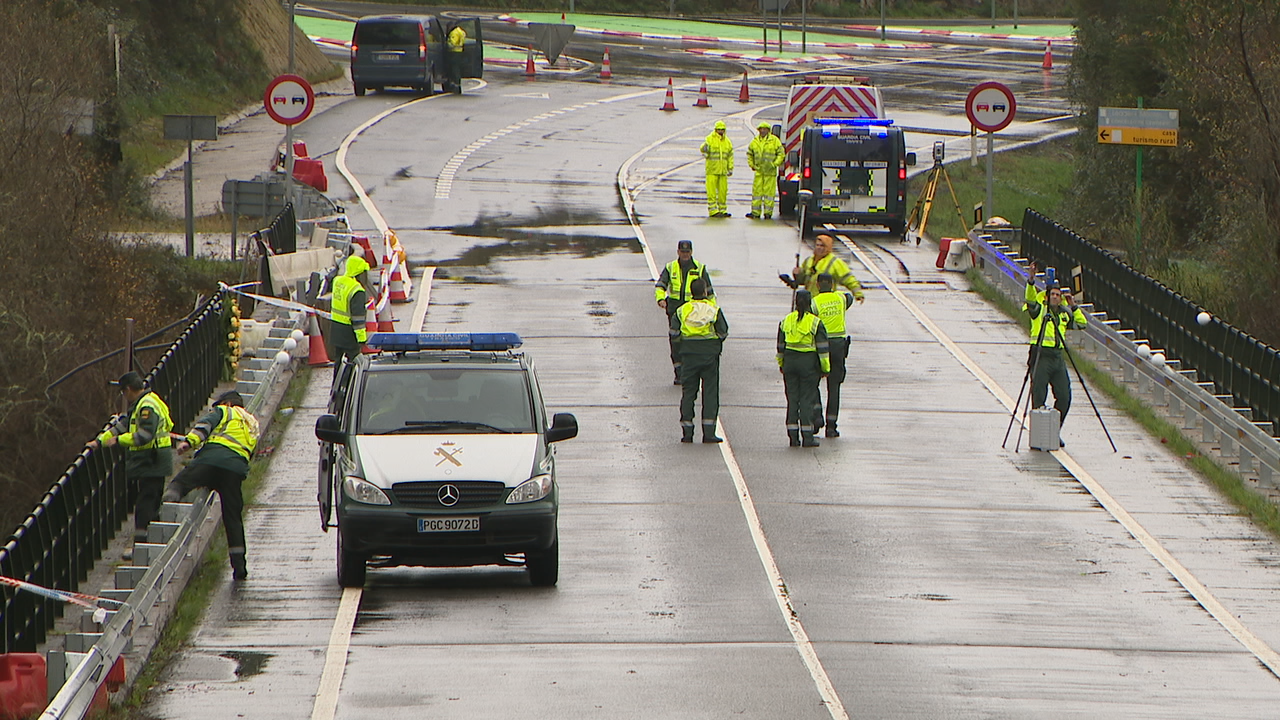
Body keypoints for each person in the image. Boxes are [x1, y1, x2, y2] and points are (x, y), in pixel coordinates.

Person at [164, 390, 260, 580]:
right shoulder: (252, 422)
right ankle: (239, 566)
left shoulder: (225, 411)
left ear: (227, 403)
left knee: (181, 482)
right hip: (235, 469)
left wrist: (189, 443)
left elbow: (204, 426)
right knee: (233, 518)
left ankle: (167, 508)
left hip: (211, 459)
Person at [86, 371, 174, 558]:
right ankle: (150, 546)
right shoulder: (143, 403)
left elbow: (144, 436)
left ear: (128, 390)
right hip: (152, 460)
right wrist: (100, 442)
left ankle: (142, 549)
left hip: (152, 461)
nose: (124, 397)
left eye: (123, 392)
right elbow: (123, 424)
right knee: (149, 502)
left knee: (145, 505)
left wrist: (119, 441)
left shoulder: (147, 407)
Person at [1023, 263, 1088, 434]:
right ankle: (1038, 434)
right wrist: (1031, 280)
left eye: (1058, 295)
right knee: (1038, 396)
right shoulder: (1039, 310)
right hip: (1040, 355)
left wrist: (1073, 306)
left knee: (1065, 396)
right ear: (1046, 296)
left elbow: (1082, 323)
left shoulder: (1064, 313)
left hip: (1057, 357)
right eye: (1052, 294)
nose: (1055, 297)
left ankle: (1053, 431)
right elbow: (1030, 300)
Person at [670, 278, 728, 443]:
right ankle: (709, 433)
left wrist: (683, 347)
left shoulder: (682, 310)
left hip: (689, 356)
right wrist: (713, 345)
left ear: (691, 292)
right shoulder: (713, 309)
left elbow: (674, 333)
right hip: (709, 356)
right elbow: (723, 332)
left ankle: (687, 432)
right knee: (710, 393)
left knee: (688, 393)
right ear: (704, 292)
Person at [656, 240, 714, 385]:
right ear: (678, 252)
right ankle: (679, 374)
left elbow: (710, 292)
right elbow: (661, 285)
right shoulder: (671, 267)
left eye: (687, 252)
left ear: (691, 252)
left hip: (692, 311)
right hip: (675, 310)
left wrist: (712, 311)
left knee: (691, 341)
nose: (685, 254)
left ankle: (691, 372)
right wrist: (661, 299)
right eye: (683, 252)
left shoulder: (699, 268)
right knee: (676, 341)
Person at [777, 290, 830, 447]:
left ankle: (793, 436)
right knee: (806, 399)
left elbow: (780, 347)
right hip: (808, 364)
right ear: (810, 303)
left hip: (790, 363)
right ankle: (807, 436)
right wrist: (825, 369)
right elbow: (822, 349)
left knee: (792, 399)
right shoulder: (815, 323)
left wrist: (782, 365)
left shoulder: (786, 320)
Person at [811, 273, 854, 438]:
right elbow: (849, 298)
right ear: (832, 284)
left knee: (813, 382)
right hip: (838, 348)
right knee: (834, 388)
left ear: (818, 284)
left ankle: (817, 416)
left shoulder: (814, 302)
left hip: (820, 347)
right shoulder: (841, 299)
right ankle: (831, 426)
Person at [330, 253, 371, 378]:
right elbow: (358, 319)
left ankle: (336, 390)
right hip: (349, 332)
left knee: (338, 363)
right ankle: (348, 389)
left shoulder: (338, 281)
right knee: (354, 364)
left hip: (335, 329)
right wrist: (362, 339)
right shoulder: (357, 290)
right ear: (360, 272)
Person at [792, 234, 866, 301]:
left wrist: (858, 293)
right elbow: (803, 280)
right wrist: (798, 273)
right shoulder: (809, 260)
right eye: (817, 245)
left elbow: (848, 279)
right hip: (809, 300)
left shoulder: (835, 262)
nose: (819, 248)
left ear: (828, 247)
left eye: (822, 246)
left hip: (825, 301)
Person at [745, 121, 783, 219]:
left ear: (768, 130)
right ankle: (755, 212)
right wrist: (752, 164)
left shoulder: (775, 141)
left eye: (764, 129)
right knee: (757, 192)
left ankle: (768, 213)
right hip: (759, 171)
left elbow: (781, 153)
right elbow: (750, 153)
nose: (762, 131)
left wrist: (775, 164)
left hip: (770, 172)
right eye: (761, 129)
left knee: (769, 194)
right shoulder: (755, 141)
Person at [700, 120, 734, 218]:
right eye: (719, 130)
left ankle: (722, 210)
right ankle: (713, 210)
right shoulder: (710, 139)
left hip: (723, 171)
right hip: (712, 170)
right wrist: (705, 150)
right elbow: (703, 149)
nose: (720, 132)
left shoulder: (727, 142)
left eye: (722, 130)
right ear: (715, 130)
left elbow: (730, 156)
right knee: (712, 192)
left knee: (723, 191)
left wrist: (730, 168)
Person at [447, 24, 467, 94]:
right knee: (457, 69)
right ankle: (457, 84)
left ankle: (455, 84)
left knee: (454, 68)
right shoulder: (460, 31)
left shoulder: (454, 33)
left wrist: (447, 44)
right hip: (460, 52)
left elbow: (452, 43)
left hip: (454, 53)